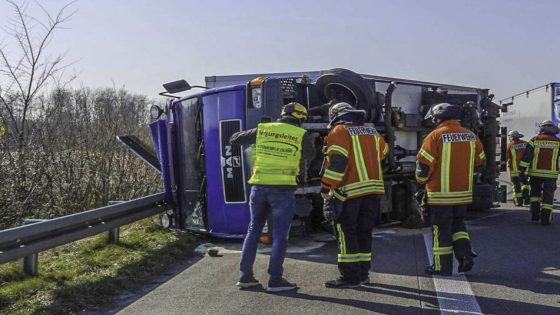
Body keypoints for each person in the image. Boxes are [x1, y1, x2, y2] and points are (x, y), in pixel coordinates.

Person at [230, 102, 315, 292]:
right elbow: (310, 155)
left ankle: (245, 277)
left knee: (253, 230)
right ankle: (275, 280)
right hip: (282, 191)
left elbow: (235, 138)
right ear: (300, 118)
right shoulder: (300, 134)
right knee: (280, 235)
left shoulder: (263, 129)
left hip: (258, 187)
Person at [320, 102, 387, 288]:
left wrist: (326, 187)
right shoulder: (371, 131)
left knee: (346, 234)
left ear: (335, 115)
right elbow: (383, 152)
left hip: (349, 192)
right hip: (373, 191)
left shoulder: (339, 131)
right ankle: (363, 274)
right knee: (364, 233)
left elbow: (337, 163)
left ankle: (350, 278)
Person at [416, 103, 486, 276]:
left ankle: (441, 267)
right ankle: (465, 254)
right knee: (458, 225)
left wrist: (421, 182)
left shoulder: (435, 136)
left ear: (438, 117)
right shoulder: (471, 136)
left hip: (440, 195)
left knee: (440, 230)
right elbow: (481, 162)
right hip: (462, 194)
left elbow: (423, 168)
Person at [518, 120, 560, 225]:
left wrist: (521, 171)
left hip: (535, 174)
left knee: (535, 195)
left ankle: (535, 215)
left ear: (542, 128)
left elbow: (526, 157)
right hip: (551, 175)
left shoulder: (535, 140)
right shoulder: (558, 141)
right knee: (548, 196)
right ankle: (545, 219)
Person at [506, 130, 529, 206]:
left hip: (515, 169)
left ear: (512, 137)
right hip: (525, 168)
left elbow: (506, 157)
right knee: (525, 183)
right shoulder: (525, 143)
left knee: (516, 185)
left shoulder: (510, 145)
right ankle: (526, 197)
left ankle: (518, 202)